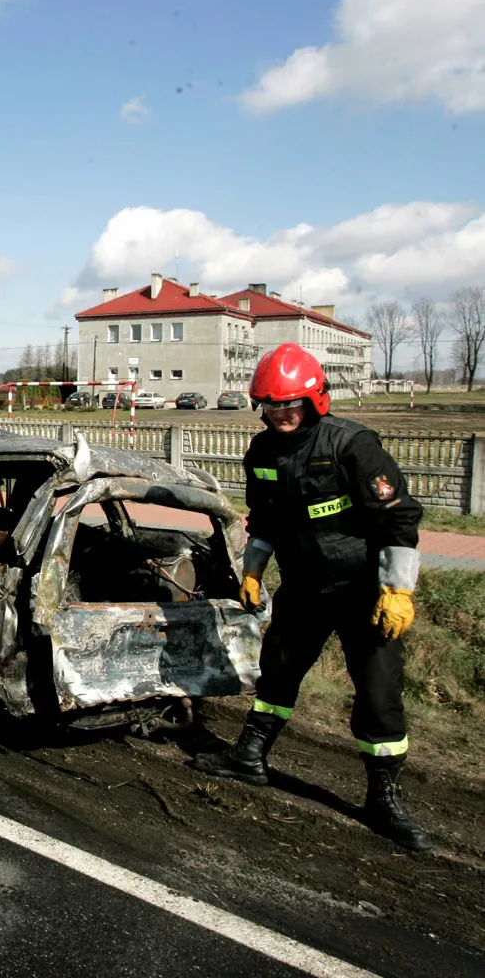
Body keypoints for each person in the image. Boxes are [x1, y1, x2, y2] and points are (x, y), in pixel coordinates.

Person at [192, 343, 431, 851]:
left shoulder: (353, 445)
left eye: (290, 403)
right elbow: (266, 520)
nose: (281, 413)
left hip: (365, 591)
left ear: (315, 399)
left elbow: (399, 518)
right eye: (272, 404)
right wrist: (253, 572)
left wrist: (396, 591)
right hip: (303, 587)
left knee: (378, 693)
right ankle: (250, 757)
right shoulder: (260, 452)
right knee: (278, 670)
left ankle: (384, 797)